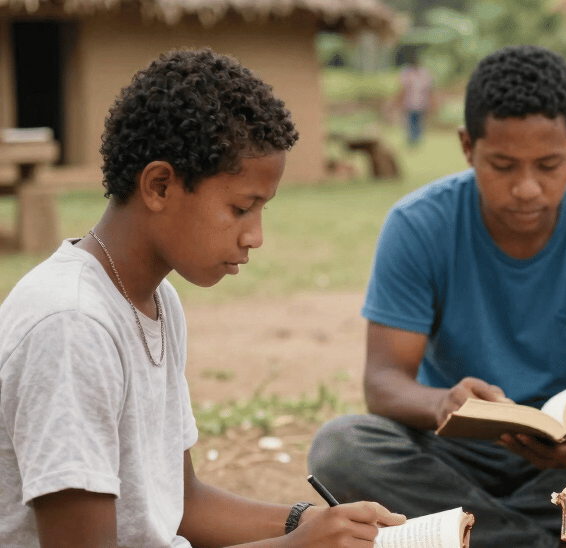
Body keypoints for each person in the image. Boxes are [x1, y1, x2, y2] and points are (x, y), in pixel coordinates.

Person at [0, 48, 406, 547]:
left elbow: (182, 502)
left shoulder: (155, 300)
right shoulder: (71, 324)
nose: (255, 236)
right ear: (159, 185)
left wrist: (307, 523)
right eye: (241, 208)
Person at [308, 44, 566, 548]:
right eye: (502, 165)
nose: (526, 188)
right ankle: (552, 536)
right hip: (451, 453)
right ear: (466, 146)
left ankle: (472, 535)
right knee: (342, 448)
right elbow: (384, 381)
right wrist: (440, 405)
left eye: (548, 165)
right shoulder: (418, 224)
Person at [398, 51, 433, 146]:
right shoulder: (406, 73)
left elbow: (429, 90)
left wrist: (431, 102)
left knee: (419, 123)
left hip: (421, 103)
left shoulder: (424, 73)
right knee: (410, 123)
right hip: (409, 103)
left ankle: (416, 141)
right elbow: (403, 89)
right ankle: (412, 141)